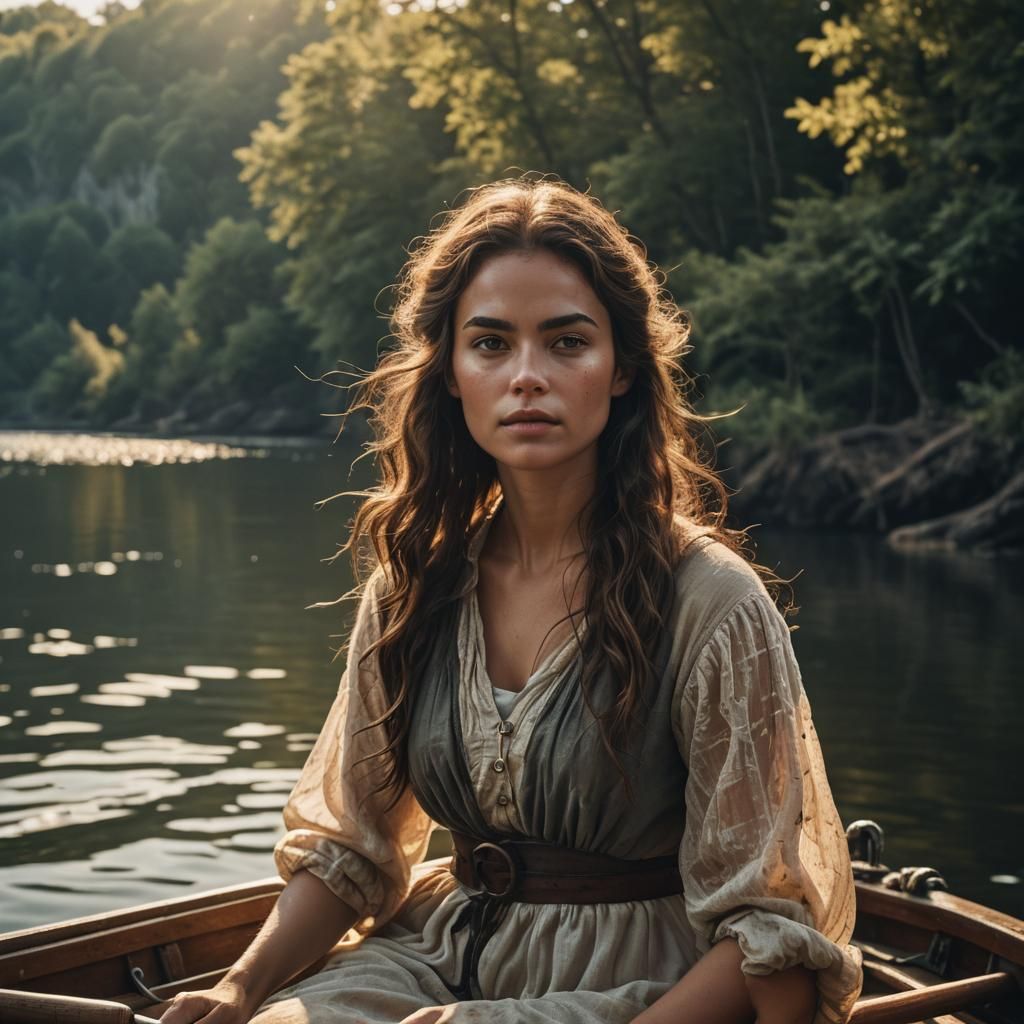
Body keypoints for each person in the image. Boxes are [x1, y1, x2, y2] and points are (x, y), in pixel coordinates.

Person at [159, 176, 863, 1024]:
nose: (527, 376)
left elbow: (771, 938)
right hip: (443, 951)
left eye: (567, 343)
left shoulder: (712, 604)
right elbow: (354, 849)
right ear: (452, 373)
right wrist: (241, 988)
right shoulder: (415, 585)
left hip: (645, 984)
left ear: (623, 368)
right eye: (491, 345)